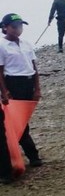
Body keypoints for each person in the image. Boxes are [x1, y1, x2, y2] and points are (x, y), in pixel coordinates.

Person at [0, 13, 43, 183]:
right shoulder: (2, 45)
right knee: (18, 121)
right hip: (13, 83)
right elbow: (0, 71)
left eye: (20, 25)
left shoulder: (26, 44)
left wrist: (37, 88)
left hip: (28, 81)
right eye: (14, 26)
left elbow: (34, 67)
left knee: (24, 119)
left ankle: (29, 154)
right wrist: (4, 92)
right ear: (5, 28)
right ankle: (32, 155)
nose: (18, 29)